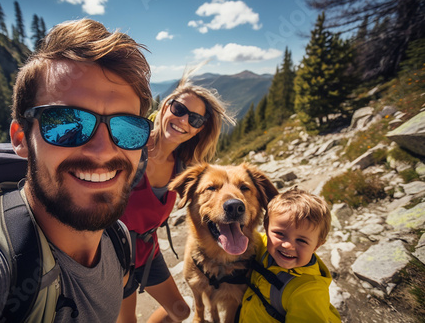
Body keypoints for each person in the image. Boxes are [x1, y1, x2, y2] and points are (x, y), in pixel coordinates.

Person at [0, 18, 152, 323]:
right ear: (21, 139)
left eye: (127, 127)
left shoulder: (118, 239)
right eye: (66, 123)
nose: (103, 150)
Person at [117, 69, 236, 323]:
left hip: (147, 249)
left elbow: (214, 199)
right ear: (165, 107)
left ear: (198, 131)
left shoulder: (184, 168)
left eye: (195, 120)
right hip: (113, 248)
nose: (184, 121)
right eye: (179, 110)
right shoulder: (129, 145)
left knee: (180, 312)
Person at [239, 187, 341, 323]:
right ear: (266, 227)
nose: (287, 245)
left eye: (301, 240)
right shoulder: (263, 245)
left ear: (317, 245)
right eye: (280, 234)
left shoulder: (307, 292)